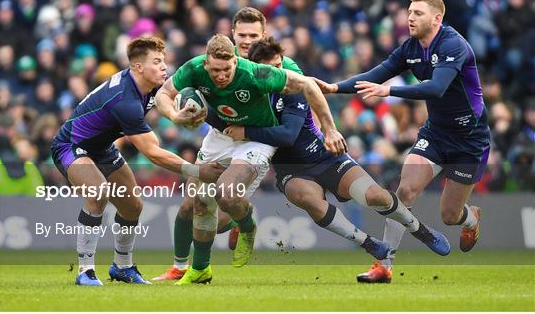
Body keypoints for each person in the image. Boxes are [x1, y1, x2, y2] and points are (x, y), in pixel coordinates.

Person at [221, 37, 449, 262]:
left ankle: (420, 230)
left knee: (375, 196)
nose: (279, 73)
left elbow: (288, 135)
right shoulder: (247, 96)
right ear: (256, 70)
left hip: (324, 156)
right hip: (292, 170)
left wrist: (246, 132)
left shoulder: (292, 86)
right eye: (271, 69)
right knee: (306, 197)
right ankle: (367, 243)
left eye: (280, 66)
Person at [314, 0, 490, 283]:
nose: (410, 17)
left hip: (470, 140)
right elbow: (377, 74)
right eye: (409, 11)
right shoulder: (410, 47)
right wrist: (334, 88)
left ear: (437, 18)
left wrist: (389, 91)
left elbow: (436, 89)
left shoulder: (453, 44)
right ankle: (383, 266)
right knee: (405, 191)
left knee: (449, 215)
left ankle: (470, 218)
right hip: (436, 134)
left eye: (418, 13)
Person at [154, 33, 346, 285]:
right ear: (206, 64)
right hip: (222, 134)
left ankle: (246, 224)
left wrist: (329, 128)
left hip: (257, 138)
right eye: (215, 71)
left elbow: (307, 85)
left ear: (235, 61)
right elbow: (163, 94)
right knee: (197, 202)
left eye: (226, 70)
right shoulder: (193, 68)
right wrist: (175, 116)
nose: (221, 76)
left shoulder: (256, 73)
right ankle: (200, 270)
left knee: (226, 193)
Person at [51, 36, 224, 286]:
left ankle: (122, 267)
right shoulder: (125, 100)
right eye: (157, 61)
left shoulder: (146, 85)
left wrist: (175, 116)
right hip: (71, 146)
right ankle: (85, 271)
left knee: (133, 207)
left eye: (163, 60)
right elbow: (152, 152)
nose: (164, 66)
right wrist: (197, 171)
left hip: (101, 148)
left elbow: (162, 100)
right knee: (98, 193)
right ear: (138, 67)